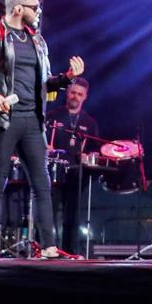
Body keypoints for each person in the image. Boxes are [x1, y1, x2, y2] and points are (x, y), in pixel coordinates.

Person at [0, 0, 84, 255]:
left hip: (33, 121)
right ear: (17, 8)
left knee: (42, 184)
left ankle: (49, 246)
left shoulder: (37, 40)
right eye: (34, 7)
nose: (38, 11)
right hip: (3, 120)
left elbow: (44, 84)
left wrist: (67, 78)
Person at [48, 77, 100, 254]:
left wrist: (88, 156)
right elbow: (37, 138)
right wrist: (45, 147)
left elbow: (96, 151)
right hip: (54, 172)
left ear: (85, 97)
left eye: (79, 94)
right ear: (67, 93)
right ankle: (47, 248)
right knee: (48, 213)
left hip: (77, 175)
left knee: (72, 216)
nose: (75, 97)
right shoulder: (52, 116)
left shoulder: (89, 123)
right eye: (73, 92)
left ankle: (70, 253)